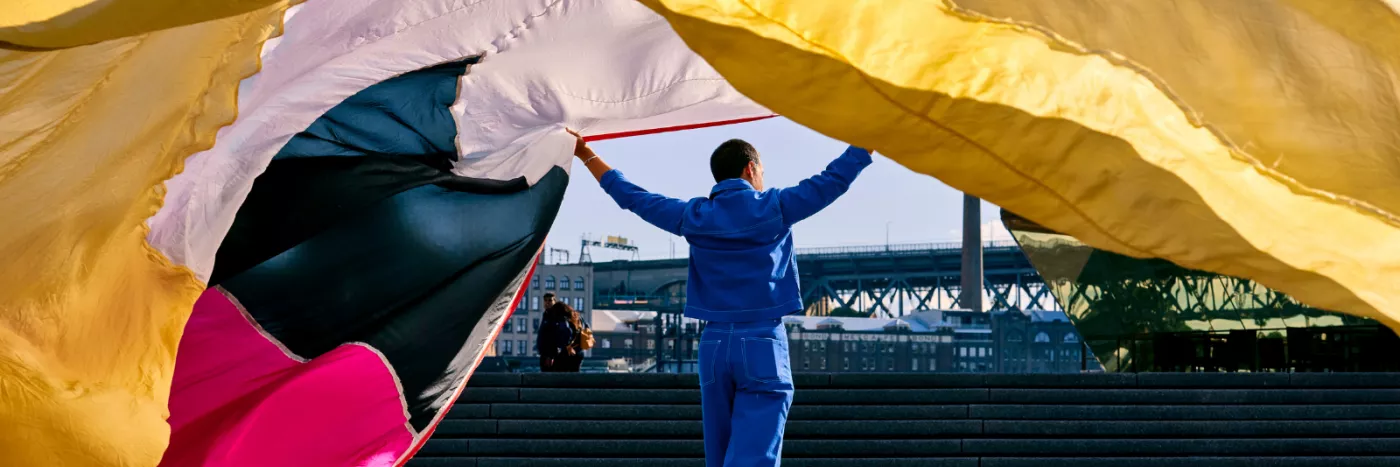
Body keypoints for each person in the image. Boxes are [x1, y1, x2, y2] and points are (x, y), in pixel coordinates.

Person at [569, 129, 871, 467]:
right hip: (761, 339)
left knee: (720, 451)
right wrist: (868, 140)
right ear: (750, 169)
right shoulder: (776, 207)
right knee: (755, 453)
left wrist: (585, 154)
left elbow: (633, 197)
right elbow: (833, 180)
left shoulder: (693, 216)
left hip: (712, 344)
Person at [536, 301, 574, 372]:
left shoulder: (554, 322)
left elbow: (552, 340)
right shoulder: (565, 322)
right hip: (559, 356)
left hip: (552, 356)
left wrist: (550, 356)